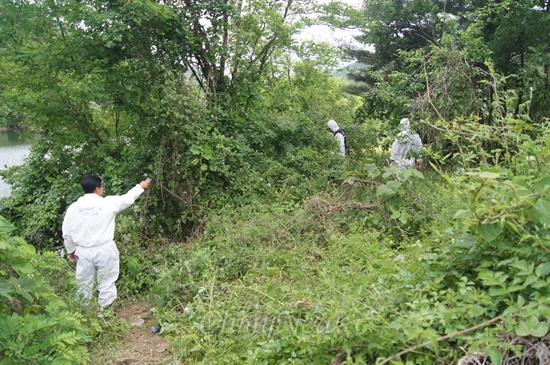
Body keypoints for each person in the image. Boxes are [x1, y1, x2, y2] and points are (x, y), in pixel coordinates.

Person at [62, 175, 151, 312]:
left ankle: (83, 314)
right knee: (107, 282)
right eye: (102, 187)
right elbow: (127, 198)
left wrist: (70, 250)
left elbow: (67, 233)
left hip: (84, 251)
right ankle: (105, 313)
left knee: (83, 283)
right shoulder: (107, 203)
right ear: (97, 189)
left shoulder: (73, 208)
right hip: (105, 249)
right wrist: (141, 186)